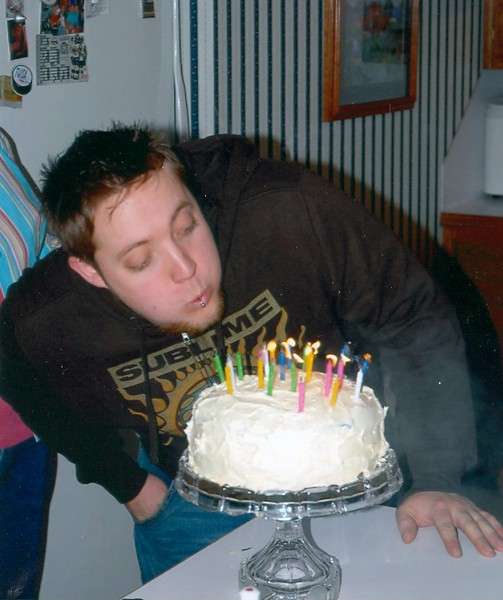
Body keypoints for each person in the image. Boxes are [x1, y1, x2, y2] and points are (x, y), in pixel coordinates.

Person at [1, 124, 502, 584]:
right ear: (91, 271)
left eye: (187, 226)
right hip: (189, 505)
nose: (185, 268)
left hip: (339, 475)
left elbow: (410, 316)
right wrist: (130, 486)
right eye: (141, 259)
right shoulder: (53, 309)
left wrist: (436, 477)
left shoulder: (289, 208)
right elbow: (13, 368)